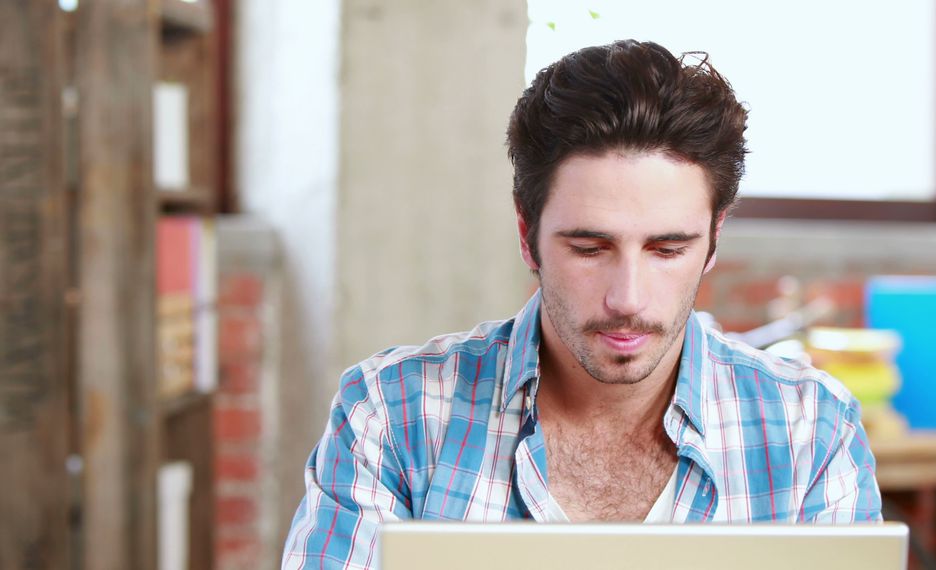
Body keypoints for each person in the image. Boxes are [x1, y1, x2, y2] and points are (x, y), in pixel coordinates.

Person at [282, 39, 882, 569]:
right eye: (590, 248)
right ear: (527, 235)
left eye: (667, 249)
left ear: (714, 241)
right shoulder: (393, 416)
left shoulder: (810, 430)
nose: (628, 298)